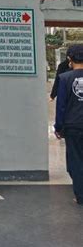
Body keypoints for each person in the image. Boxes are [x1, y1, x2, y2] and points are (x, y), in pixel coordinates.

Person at [54, 44, 83, 206]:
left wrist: (58, 127)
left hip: (73, 126)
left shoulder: (65, 78)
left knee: (75, 161)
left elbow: (61, 106)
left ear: (69, 59)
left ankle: (80, 195)